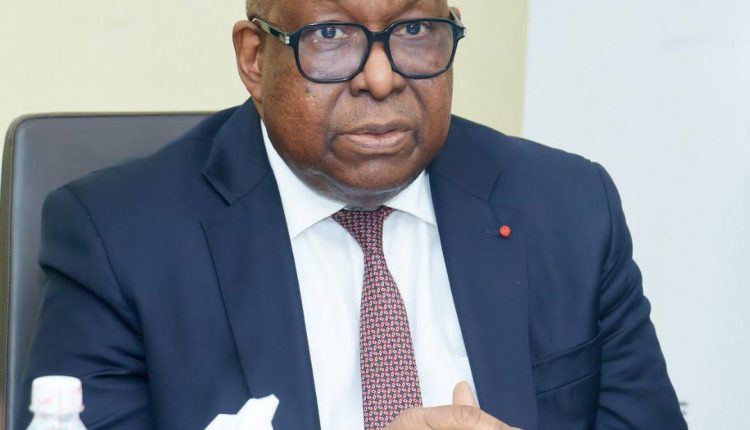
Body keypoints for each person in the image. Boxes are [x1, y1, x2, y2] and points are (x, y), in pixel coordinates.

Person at [18, 0, 688, 429]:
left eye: (415, 30)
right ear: (254, 58)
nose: (381, 77)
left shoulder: (567, 207)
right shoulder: (118, 237)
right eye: (331, 34)